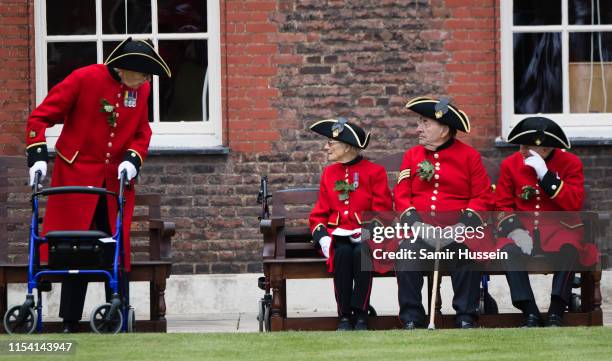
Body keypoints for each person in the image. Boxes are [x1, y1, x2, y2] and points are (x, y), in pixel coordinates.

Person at [25, 37, 171, 333]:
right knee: (74, 246)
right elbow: (40, 117)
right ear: (122, 68)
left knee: (115, 247)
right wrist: (37, 154)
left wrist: (133, 158)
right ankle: (69, 320)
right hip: (76, 175)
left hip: (114, 181)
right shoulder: (83, 78)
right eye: (141, 73)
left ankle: (116, 315)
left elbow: (142, 130)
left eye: (147, 76)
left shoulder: (140, 89)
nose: (145, 81)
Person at [394, 96, 493, 329]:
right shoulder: (412, 156)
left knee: (469, 253)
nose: (418, 128)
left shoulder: (469, 157)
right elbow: (400, 195)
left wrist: (459, 228)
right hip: (420, 231)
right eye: (419, 122)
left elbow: (482, 197)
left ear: (444, 129)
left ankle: (466, 316)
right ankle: (411, 318)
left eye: (425, 123)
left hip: (458, 231)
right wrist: (417, 225)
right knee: (405, 254)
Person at [494, 116, 598, 327]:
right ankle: (529, 312)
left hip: (561, 229)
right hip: (523, 230)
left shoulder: (570, 163)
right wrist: (515, 231)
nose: (521, 150)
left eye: (527, 145)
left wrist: (546, 176)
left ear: (545, 147)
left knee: (569, 248)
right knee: (507, 251)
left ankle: (556, 312)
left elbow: (574, 203)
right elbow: (500, 205)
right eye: (521, 145)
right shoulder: (510, 165)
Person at [308, 118, 393, 331]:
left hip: (367, 237)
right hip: (338, 236)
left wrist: (365, 232)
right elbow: (318, 214)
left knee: (361, 253)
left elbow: (383, 213)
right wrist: (323, 237)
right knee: (343, 254)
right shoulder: (329, 173)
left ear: (346, 145)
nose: (326, 147)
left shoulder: (375, 172)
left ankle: (361, 314)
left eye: (331, 142)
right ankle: (345, 315)